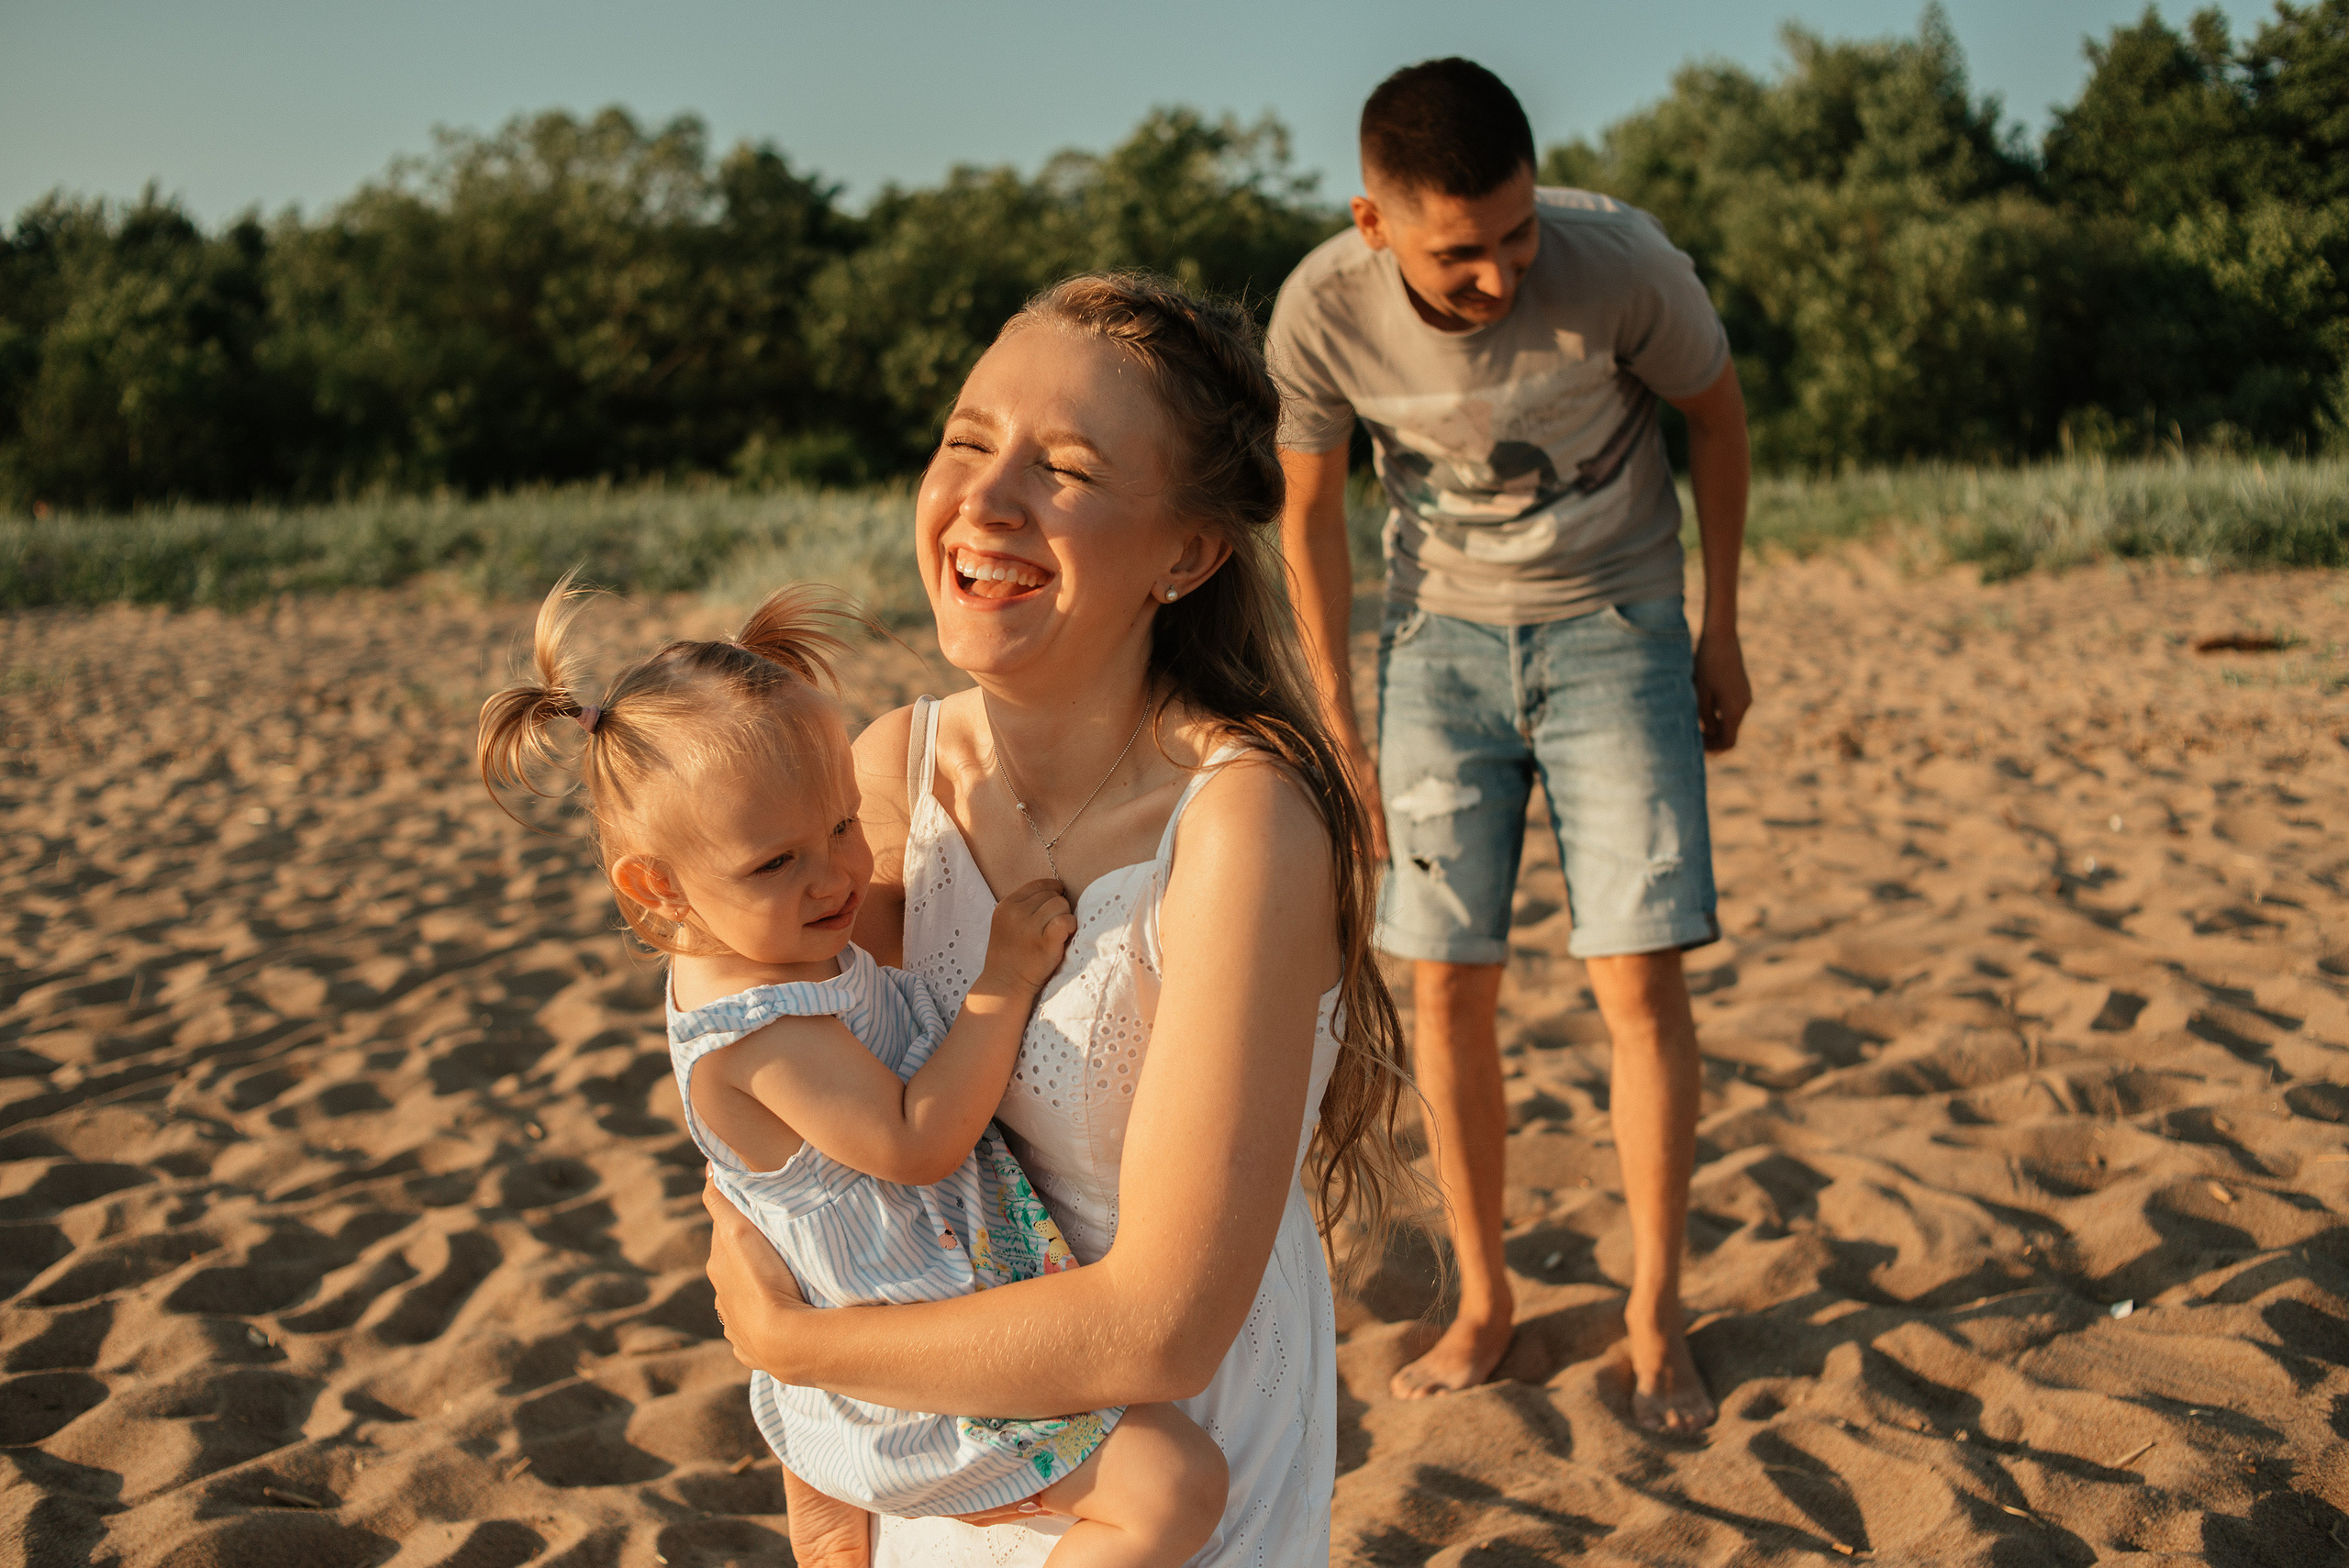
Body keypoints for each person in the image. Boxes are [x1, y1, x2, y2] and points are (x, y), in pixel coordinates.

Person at [698, 272, 1419, 1566]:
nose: (985, 499)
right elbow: (792, 1163)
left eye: (1066, 469)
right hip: (942, 1457)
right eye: (967, 442)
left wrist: (794, 1346)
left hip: (1175, 1486)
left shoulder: (1241, 824)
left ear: (1187, 554)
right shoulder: (887, 774)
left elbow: (1165, 1329)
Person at [475, 580, 1230, 1565]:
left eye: (841, 824)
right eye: (774, 863)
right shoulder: (760, 1030)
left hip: (896, 1306)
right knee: (1173, 1487)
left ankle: (827, 1499)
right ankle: (839, 1478)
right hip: (910, 1370)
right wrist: (1001, 981)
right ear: (657, 885)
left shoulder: (770, 949)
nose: (835, 876)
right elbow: (917, 1141)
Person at [1267, 58, 1752, 1431]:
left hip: (1618, 628)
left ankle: (1656, 1312)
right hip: (1438, 649)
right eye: (1459, 252)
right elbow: (1309, 518)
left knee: (1636, 976)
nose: (1499, 274)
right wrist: (1341, 724)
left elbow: (1717, 421)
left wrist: (1719, 628)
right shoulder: (1321, 311)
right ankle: (1485, 1300)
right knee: (1444, 989)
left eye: (1519, 233)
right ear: (1374, 224)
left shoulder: (1624, 266)